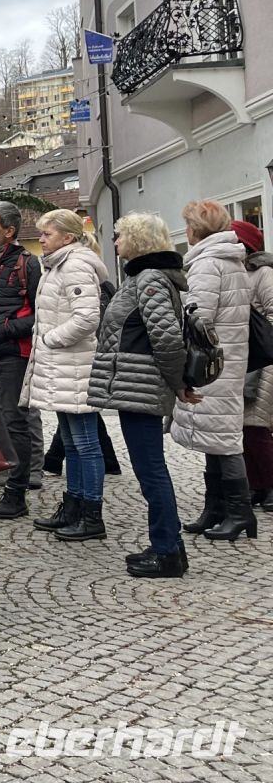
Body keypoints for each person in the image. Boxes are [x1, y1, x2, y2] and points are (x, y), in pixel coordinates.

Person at [90, 213, 195, 578]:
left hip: (142, 384)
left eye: (119, 237)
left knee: (151, 470)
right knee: (149, 469)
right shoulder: (142, 277)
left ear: (135, 240)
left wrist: (179, 382)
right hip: (137, 384)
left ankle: (166, 549)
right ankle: (169, 546)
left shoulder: (148, 279)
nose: (114, 243)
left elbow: (166, 338)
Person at [21, 209, 111, 542]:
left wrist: (48, 340)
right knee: (72, 443)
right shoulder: (57, 265)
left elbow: (87, 318)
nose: (41, 239)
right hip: (62, 367)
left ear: (68, 237)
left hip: (75, 364)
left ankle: (91, 513)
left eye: (47, 234)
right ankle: (73, 506)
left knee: (86, 444)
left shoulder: (74, 265)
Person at [175, 200, 255, 541]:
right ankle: (217, 507)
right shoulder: (230, 259)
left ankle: (239, 512)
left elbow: (198, 316)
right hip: (227, 358)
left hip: (212, 364)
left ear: (196, 229)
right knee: (217, 437)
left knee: (224, 439)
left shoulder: (208, 263)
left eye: (188, 224)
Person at [0, 200, 43, 519]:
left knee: (15, 419)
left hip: (15, 352)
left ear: (9, 230)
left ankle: (17, 491)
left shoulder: (29, 264)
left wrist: (4, 330)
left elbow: (41, 314)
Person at [233, 221, 273, 512]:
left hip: (264, 361)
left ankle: (269, 484)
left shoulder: (263, 273)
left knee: (257, 428)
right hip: (246, 360)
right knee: (245, 429)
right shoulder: (239, 273)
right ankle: (258, 485)